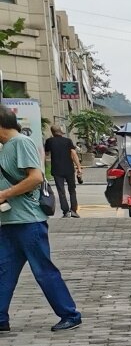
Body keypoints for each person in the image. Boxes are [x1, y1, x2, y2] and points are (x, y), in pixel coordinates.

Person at [0, 105, 81, 332]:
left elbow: (35, 177)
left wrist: (5, 194)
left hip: (29, 222)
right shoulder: (6, 147)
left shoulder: (21, 143)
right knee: (4, 271)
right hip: (10, 221)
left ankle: (70, 314)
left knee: (43, 270)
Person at [44, 124, 82, 216]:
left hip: (57, 169)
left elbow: (46, 154)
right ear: (61, 131)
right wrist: (79, 168)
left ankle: (65, 211)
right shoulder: (68, 141)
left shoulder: (49, 141)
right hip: (69, 169)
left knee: (61, 191)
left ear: (52, 132)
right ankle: (74, 211)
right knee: (72, 190)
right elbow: (73, 154)